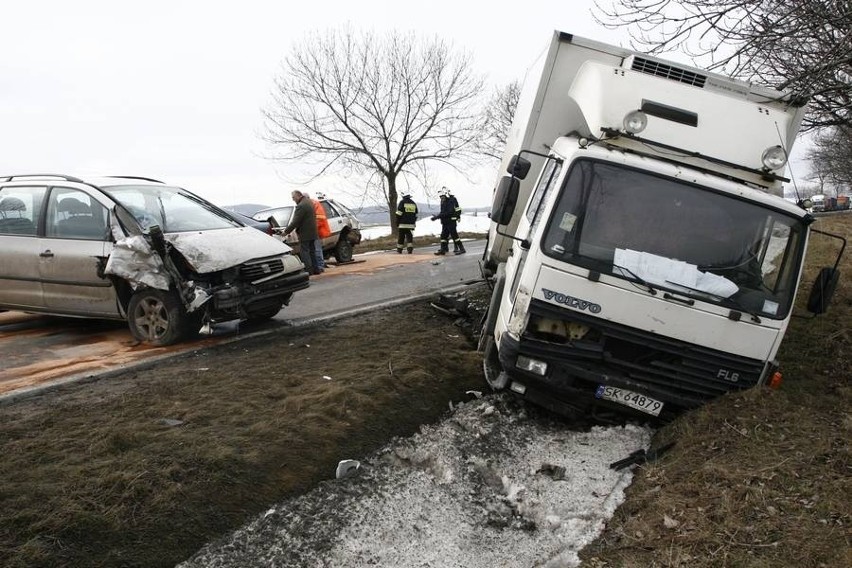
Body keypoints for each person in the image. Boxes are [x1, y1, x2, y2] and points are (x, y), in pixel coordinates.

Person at [282, 190, 321, 275]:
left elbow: (296, 221)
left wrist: (286, 231)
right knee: (312, 251)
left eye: (293, 197)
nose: (293, 199)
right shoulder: (309, 202)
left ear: (299, 196)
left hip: (305, 233)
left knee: (304, 252)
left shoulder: (301, 206)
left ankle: (309, 271)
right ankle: (316, 269)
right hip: (313, 232)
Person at [431, 186, 465, 255]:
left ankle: (462, 249)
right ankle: (443, 249)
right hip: (445, 222)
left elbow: (449, 212)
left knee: (454, 235)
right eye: (440, 197)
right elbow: (442, 212)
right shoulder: (443, 201)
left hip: (451, 221)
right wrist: (437, 216)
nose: (441, 198)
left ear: (446, 195)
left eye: (442, 197)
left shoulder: (451, 200)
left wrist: (437, 217)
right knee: (443, 236)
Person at [304, 193, 331, 271]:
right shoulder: (312, 204)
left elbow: (319, 218)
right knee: (315, 249)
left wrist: (311, 228)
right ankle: (318, 266)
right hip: (314, 230)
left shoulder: (314, 204)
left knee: (316, 249)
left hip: (317, 231)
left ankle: (320, 266)